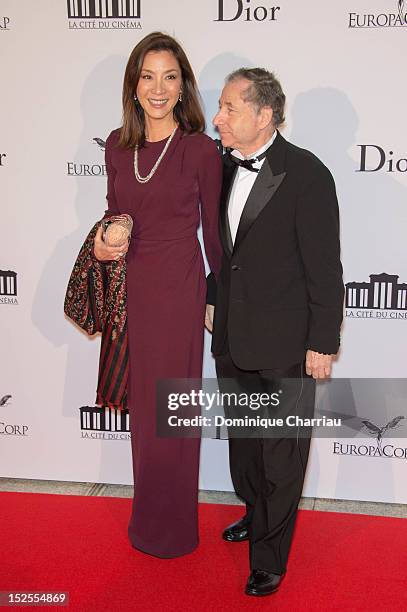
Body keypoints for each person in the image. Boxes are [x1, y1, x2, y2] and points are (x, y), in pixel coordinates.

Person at [206, 68, 344, 596]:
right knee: (245, 445)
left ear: (265, 116)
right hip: (233, 338)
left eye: (229, 108)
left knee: (282, 453)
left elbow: (324, 267)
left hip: (287, 343)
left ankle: (270, 557)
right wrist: (212, 300)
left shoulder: (308, 174)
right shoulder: (217, 168)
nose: (218, 117)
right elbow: (223, 253)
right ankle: (255, 516)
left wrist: (322, 342)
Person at [93, 32, 222, 558]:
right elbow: (111, 212)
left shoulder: (200, 149)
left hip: (179, 290)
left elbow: (214, 233)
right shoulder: (117, 146)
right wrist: (106, 240)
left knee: (174, 411)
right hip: (132, 293)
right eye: (148, 76)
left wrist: (218, 295)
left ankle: (173, 530)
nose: (158, 88)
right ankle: (146, 522)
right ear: (134, 83)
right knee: (145, 415)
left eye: (170, 76)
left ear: (183, 84)